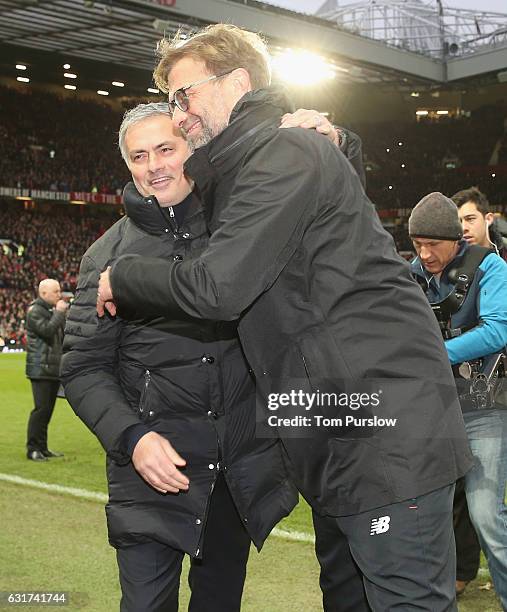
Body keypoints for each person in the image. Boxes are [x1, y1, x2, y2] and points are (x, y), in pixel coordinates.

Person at [96, 24, 473, 610]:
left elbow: (219, 286)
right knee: (351, 595)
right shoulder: (256, 168)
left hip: (380, 429)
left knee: (403, 599)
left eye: (184, 96)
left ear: (237, 82)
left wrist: (123, 276)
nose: (179, 113)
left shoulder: (282, 152)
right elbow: (325, 253)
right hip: (332, 430)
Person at [62, 102, 356, 611]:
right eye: (138, 155)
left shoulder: (239, 232)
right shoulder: (105, 256)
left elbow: (328, 235)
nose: (154, 165)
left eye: (166, 149)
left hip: (235, 478)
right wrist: (132, 439)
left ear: (191, 150)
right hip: (151, 475)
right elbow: (84, 367)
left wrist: (331, 148)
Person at [409, 192, 507, 609]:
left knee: (484, 513)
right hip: (431, 409)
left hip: (483, 405)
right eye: (417, 244)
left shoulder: (490, 265)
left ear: (456, 238)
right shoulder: (412, 272)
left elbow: (499, 329)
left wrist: (434, 354)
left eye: (433, 244)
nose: (425, 254)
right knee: (426, 514)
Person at [25, 278, 67, 461]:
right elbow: (47, 331)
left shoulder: (50, 311)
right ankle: (33, 448)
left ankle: (42, 447)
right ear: (43, 294)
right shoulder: (35, 311)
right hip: (40, 368)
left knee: (47, 411)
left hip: (52, 368)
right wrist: (59, 313)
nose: (60, 294)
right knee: (41, 410)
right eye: (56, 291)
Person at [452, 186, 507, 261]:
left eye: (470, 219)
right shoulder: (447, 260)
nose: (463, 228)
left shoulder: (504, 251)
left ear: (488, 219)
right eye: (458, 222)